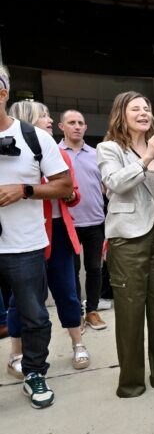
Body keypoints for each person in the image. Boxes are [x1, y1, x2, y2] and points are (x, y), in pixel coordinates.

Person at [97, 91, 154, 398]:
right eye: (136, 108)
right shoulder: (109, 148)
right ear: (121, 114)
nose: (144, 113)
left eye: (147, 108)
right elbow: (115, 184)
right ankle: (131, 383)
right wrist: (146, 156)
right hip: (128, 238)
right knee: (130, 311)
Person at [0, 64, 74, 409]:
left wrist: (25, 190)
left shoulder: (35, 137)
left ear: (3, 93)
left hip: (24, 245)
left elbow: (64, 185)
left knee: (34, 315)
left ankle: (34, 372)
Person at [6, 101, 88, 378]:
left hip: (59, 232)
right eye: (44, 116)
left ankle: (78, 343)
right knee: (23, 298)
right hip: (26, 234)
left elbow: (72, 193)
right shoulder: (15, 152)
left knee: (67, 291)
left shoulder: (57, 153)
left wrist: (66, 192)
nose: (50, 120)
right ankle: (16, 353)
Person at [59, 109, 110, 328]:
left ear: (86, 127)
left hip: (95, 222)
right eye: (72, 122)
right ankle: (76, 314)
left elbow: (107, 186)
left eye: (81, 123)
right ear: (62, 126)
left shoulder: (96, 154)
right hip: (67, 223)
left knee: (94, 269)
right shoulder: (54, 153)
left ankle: (92, 311)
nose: (77, 126)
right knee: (71, 271)